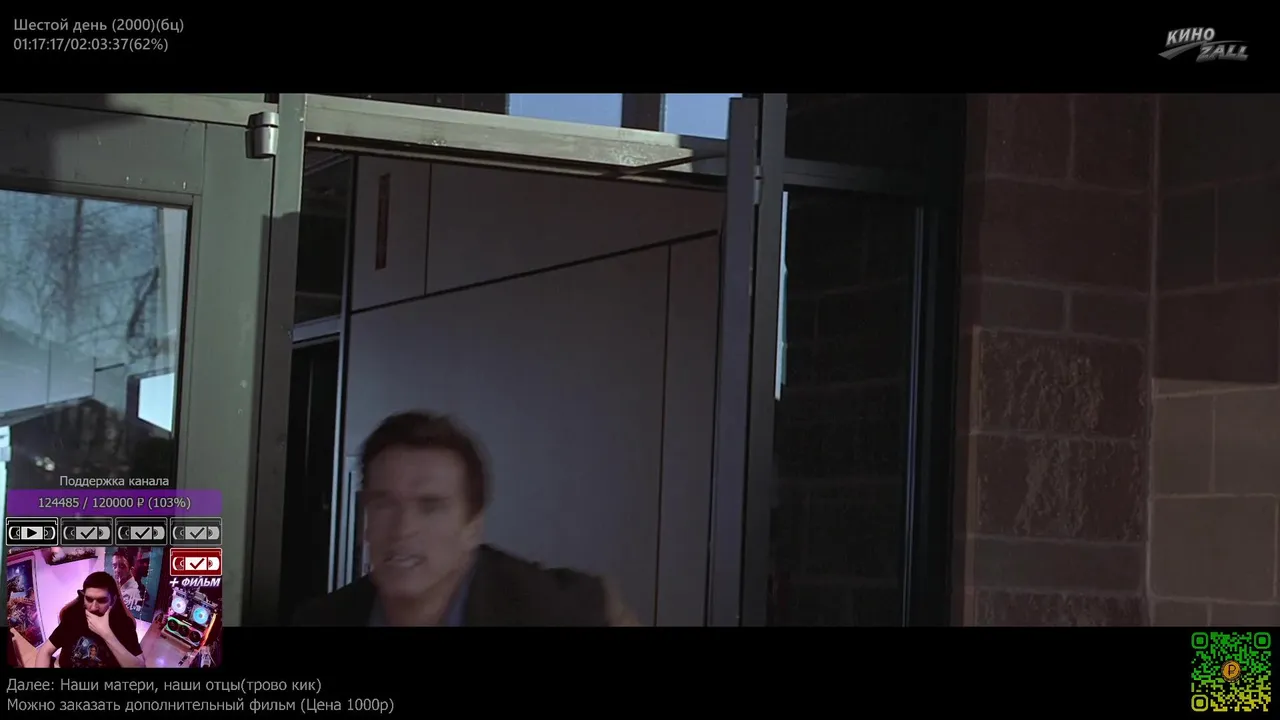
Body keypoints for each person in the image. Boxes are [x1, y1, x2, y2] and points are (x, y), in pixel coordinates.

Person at [293, 411, 640, 627]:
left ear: (472, 528)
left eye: (430, 506)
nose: (402, 529)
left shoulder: (552, 611)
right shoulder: (322, 621)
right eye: (384, 504)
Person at [36, 572, 145, 668]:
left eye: (102, 600)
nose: (93, 607)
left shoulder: (124, 624)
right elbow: (45, 651)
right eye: (89, 599)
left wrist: (107, 634)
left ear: (113, 600)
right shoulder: (73, 616)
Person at [110, 551, 144, 616]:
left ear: (131, 569)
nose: (117, 570)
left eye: (122, 566)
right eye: (114, 566)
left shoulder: (131, 593)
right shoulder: (118, 587)